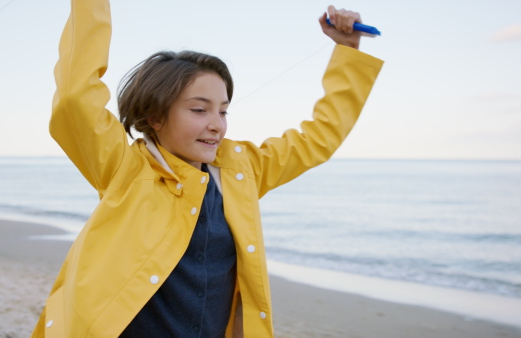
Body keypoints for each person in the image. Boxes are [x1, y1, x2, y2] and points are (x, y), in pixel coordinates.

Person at [31, 0, 383, 336]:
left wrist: (348, 51)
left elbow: (319, 137)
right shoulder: (124, 167)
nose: (217, 124)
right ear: (155, 116)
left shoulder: (241, 172)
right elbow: (75, 98)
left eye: (223, 110)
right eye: (199, 110)